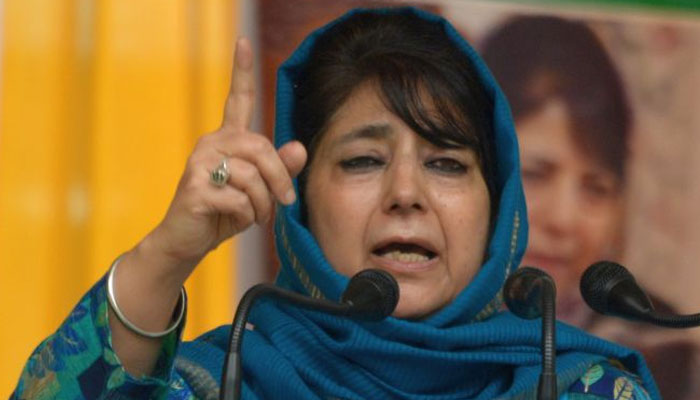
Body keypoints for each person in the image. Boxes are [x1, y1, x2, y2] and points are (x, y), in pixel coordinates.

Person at [13, 8, 658, 399]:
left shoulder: (584, 388)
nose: (406, 195)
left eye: (445, 164)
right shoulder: (220, 381)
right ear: (298, 203)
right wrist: (166, 254)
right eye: (363, 161)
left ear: (497, 209)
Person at [480, 15, 698, 399]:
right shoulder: (409, 324)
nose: (564, 219)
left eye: (596, 188)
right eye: (535, 174)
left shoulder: (665, 356)